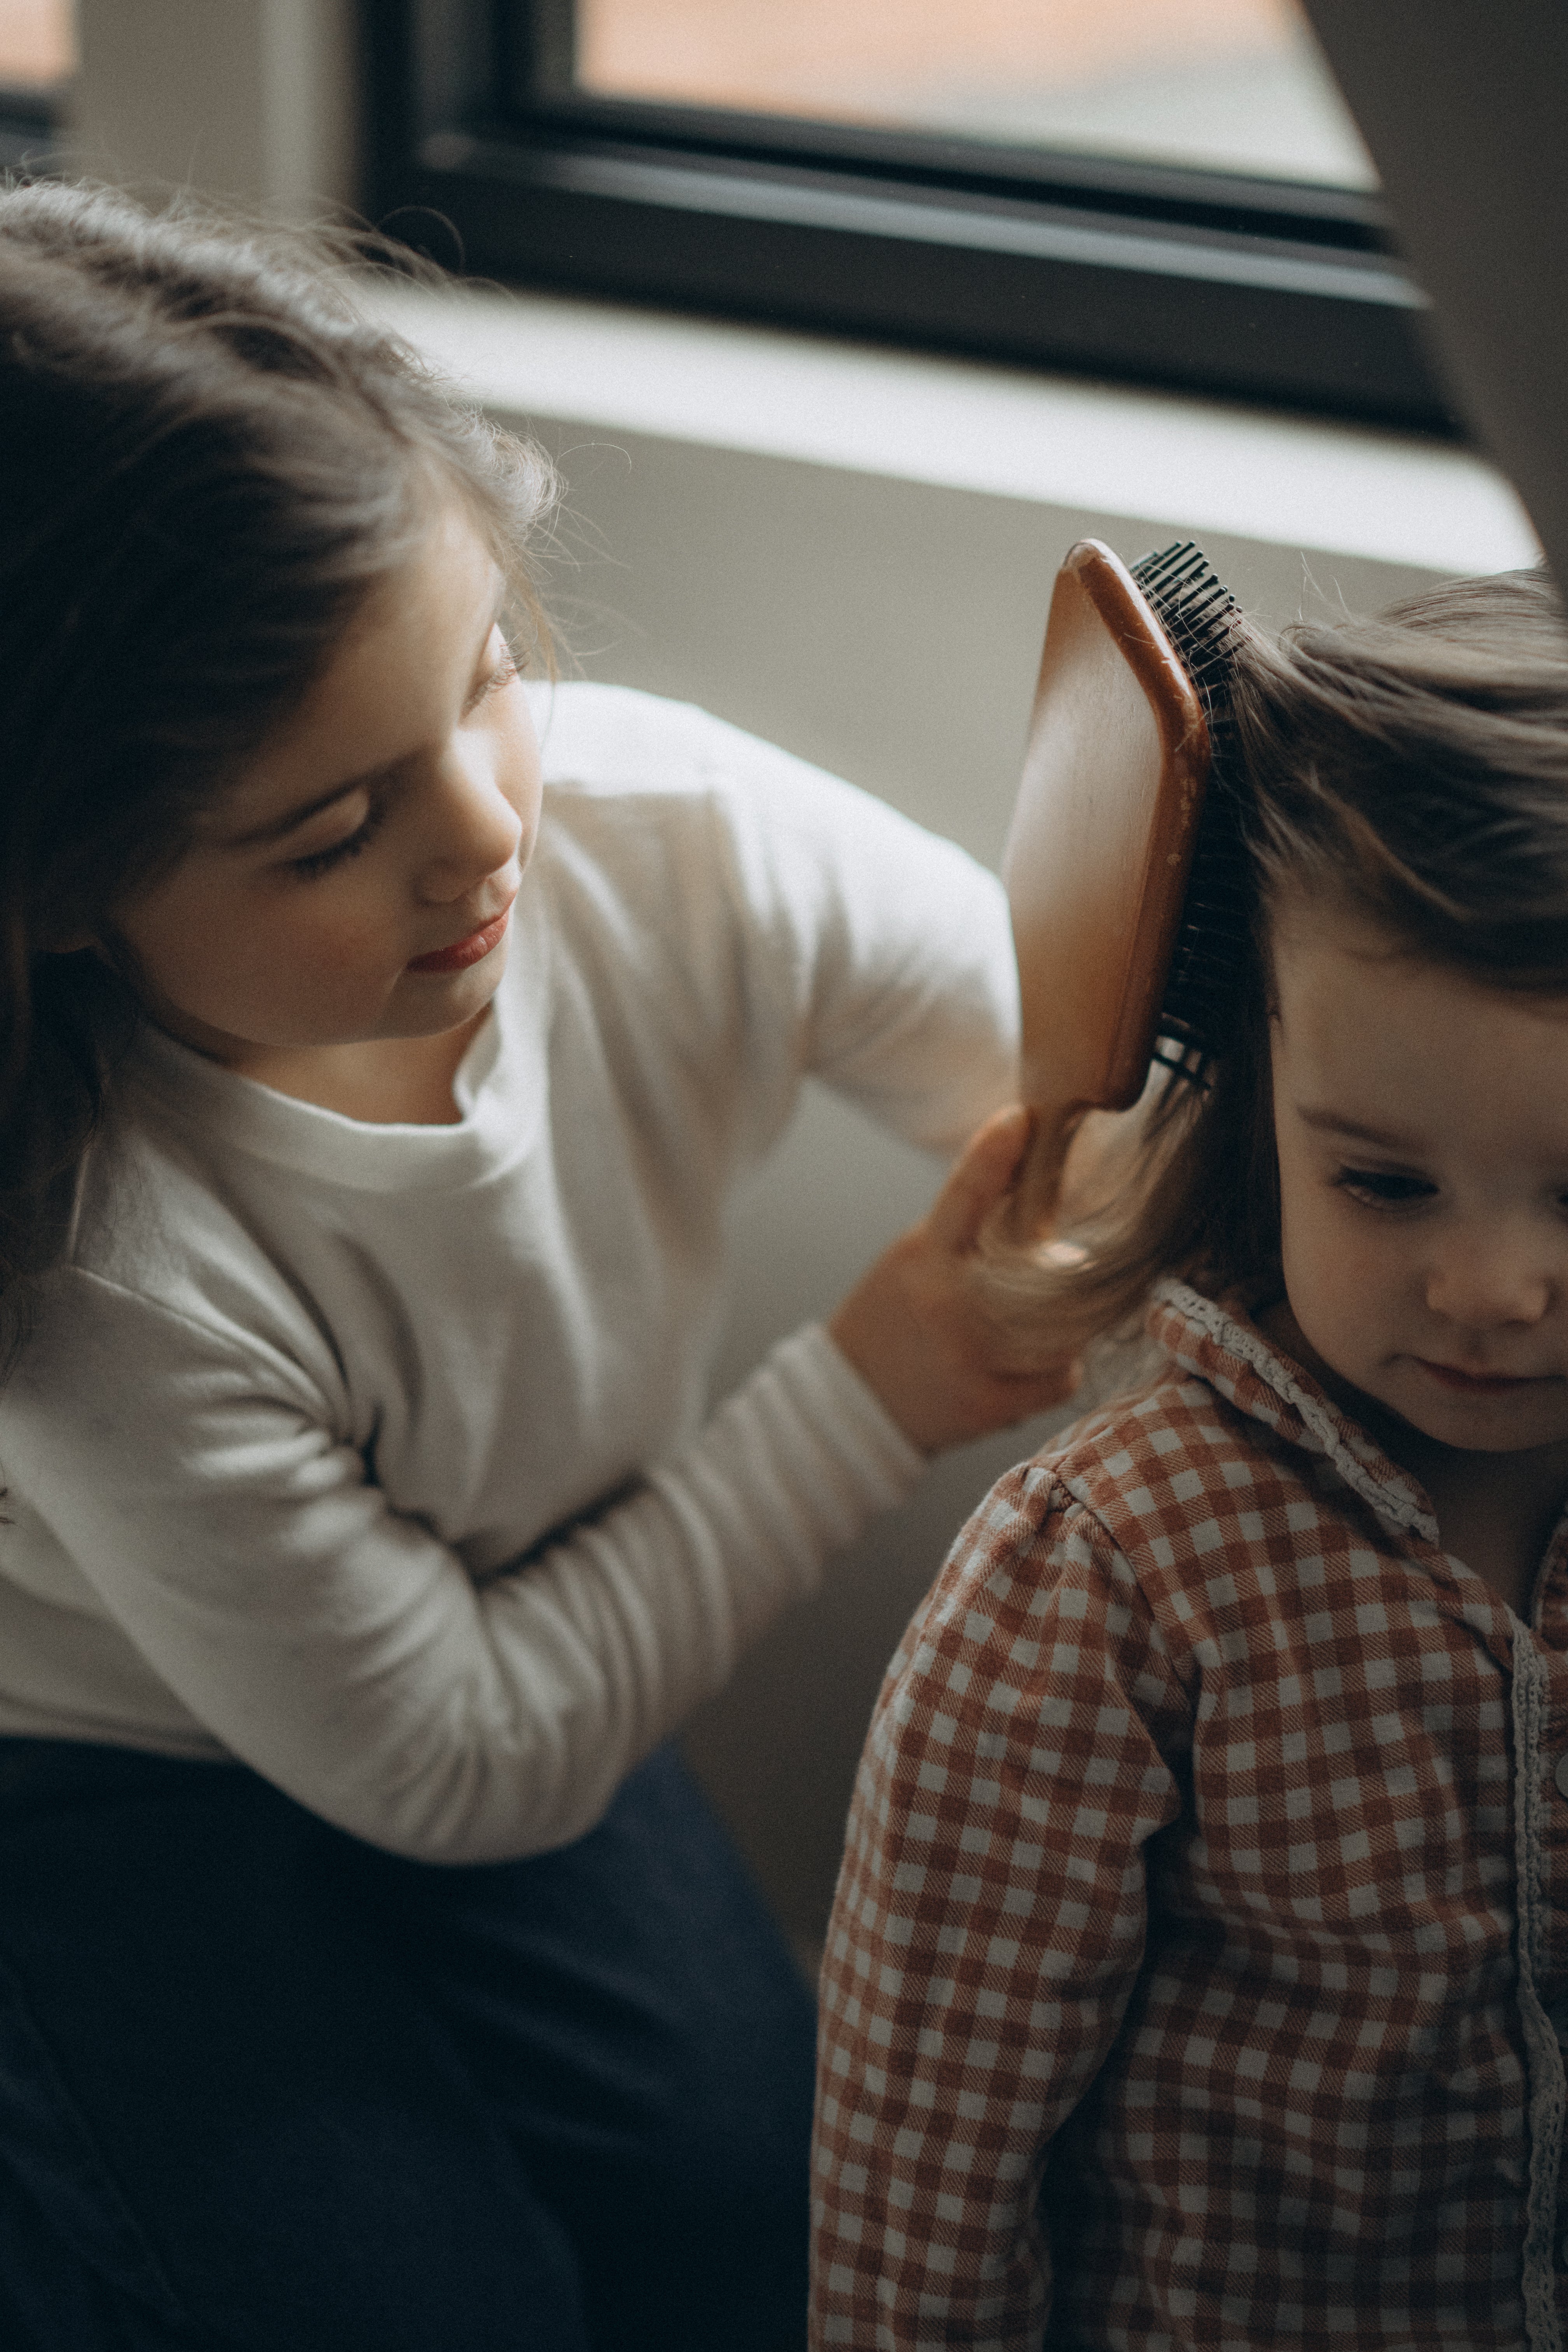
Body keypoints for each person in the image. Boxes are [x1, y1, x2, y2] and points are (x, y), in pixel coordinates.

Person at [0, 181, 1077, 2352]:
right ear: (62, 888)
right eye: (331, 829)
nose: (493, 828)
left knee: (760, 2198)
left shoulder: (674, 844)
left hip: (493, 1616)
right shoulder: (96, 1264)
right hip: (86, 1777)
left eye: (488, 670)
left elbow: (1064, 1080)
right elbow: (457, 1758)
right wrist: (879, 1381)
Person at [811, 566, 1568, 2352]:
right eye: (1384, 1182)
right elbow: (931, 2171)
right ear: (1254, 1097)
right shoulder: (1107, 1581)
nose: (1494, 1290)